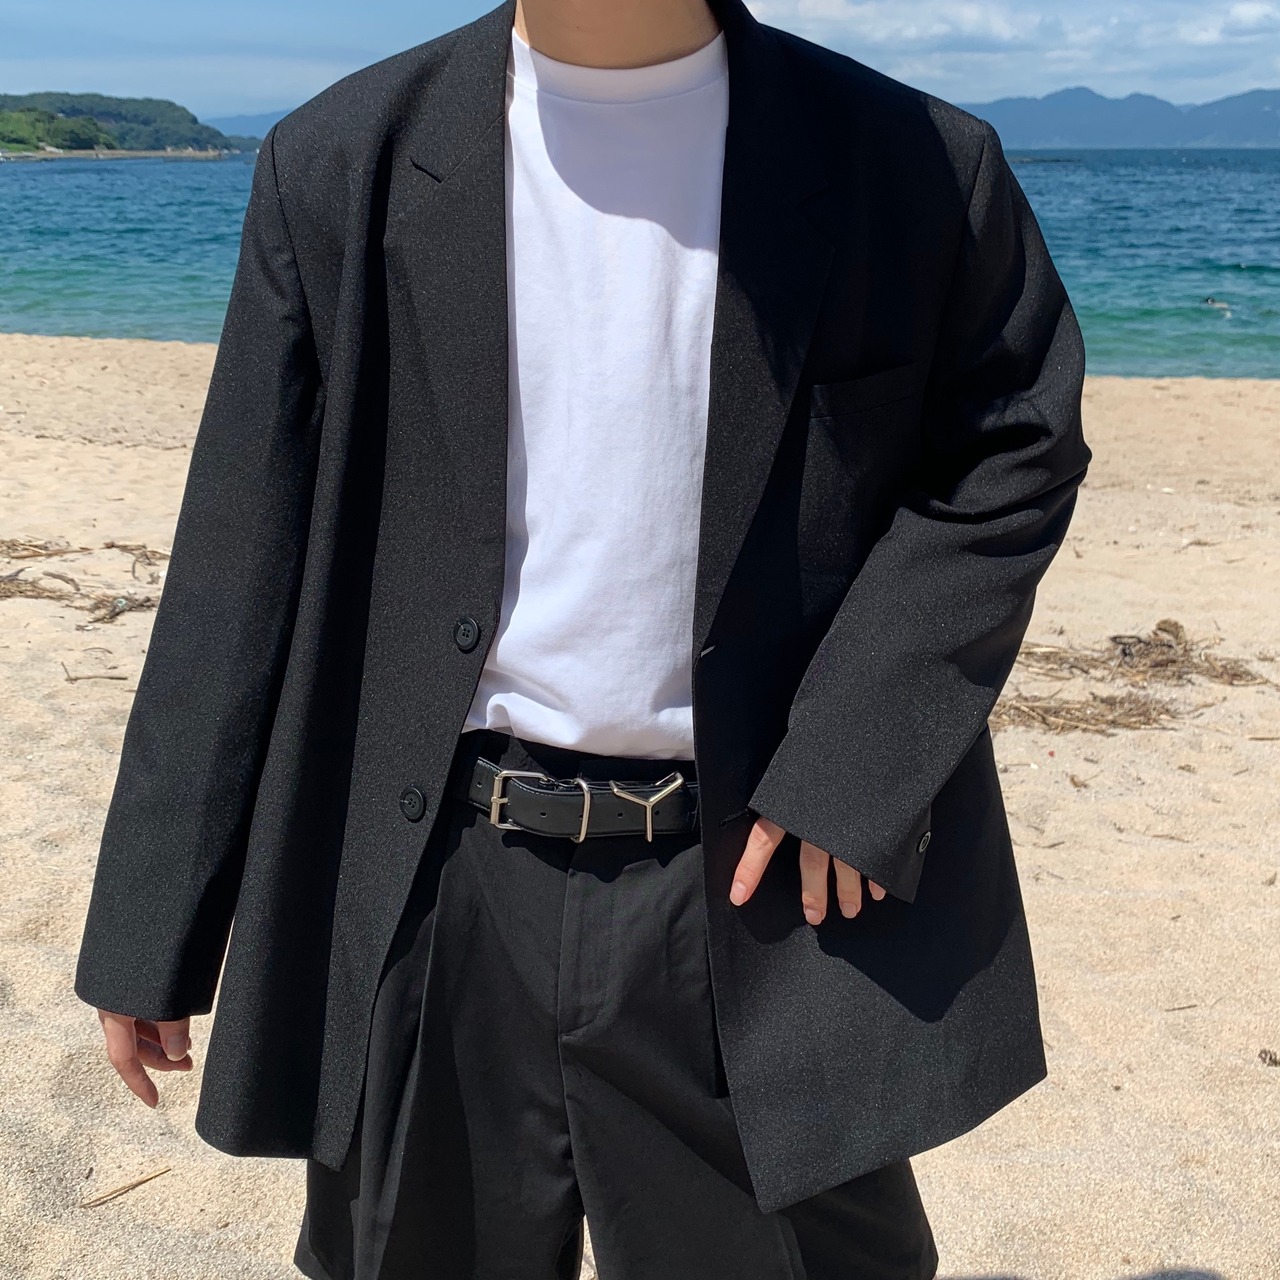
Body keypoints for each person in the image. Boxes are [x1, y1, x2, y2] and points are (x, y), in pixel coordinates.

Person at [74, 0, 1090, 1275]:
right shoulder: (340, 159)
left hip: (747, 888)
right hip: (433, 881)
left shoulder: (912, 160)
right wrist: (154, 919)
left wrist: (855, 760)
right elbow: (240, 550)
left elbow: (1010, 449)